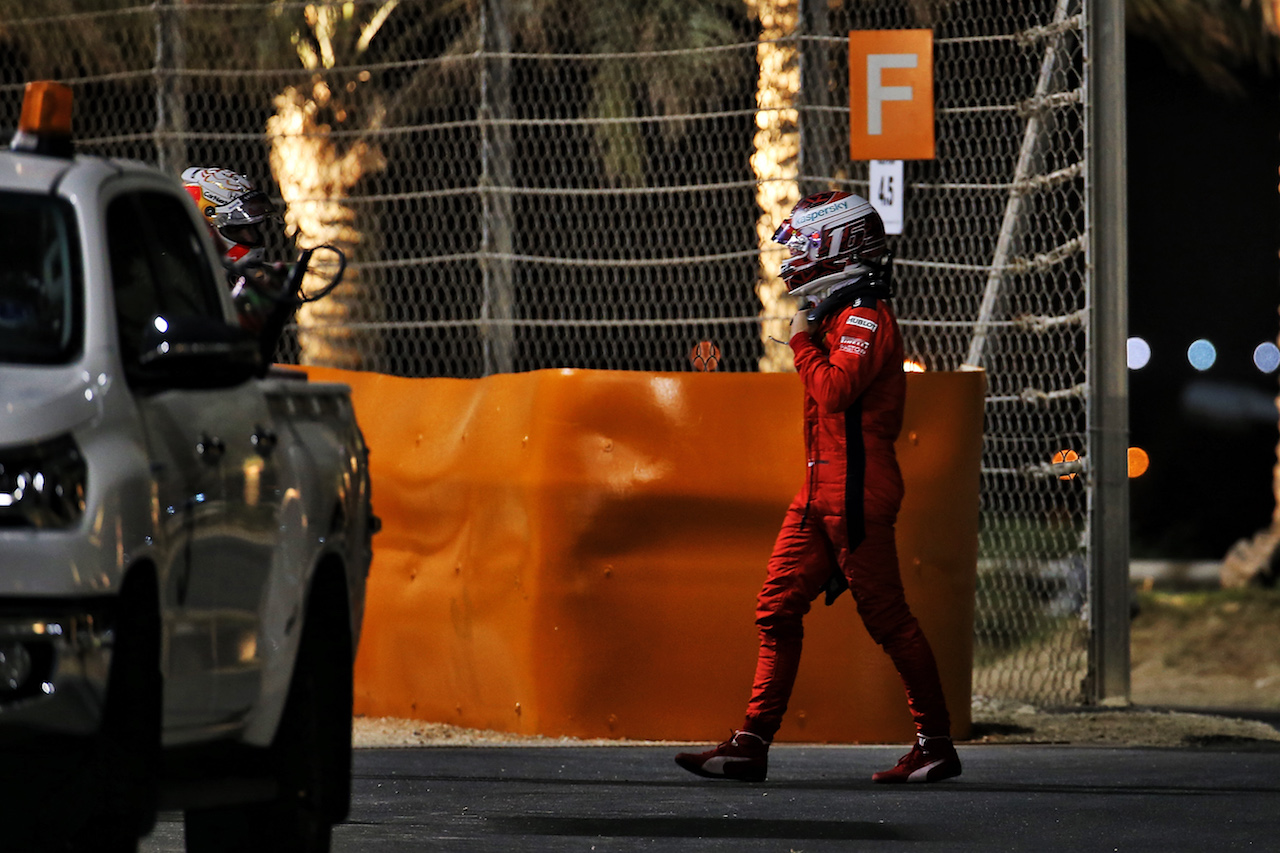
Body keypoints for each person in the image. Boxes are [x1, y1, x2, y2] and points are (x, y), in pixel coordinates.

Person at [674, 191, 961, 785]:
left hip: (853, 493)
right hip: (821, 492)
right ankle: (751, 743)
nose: (795, 258)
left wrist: (801, 341)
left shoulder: (862, 317)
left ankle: (935, 745)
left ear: (839, 246)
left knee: (888, 620)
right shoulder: (843, 314)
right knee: (775, 609)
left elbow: (835, 391)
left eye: (804, 245)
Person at [181, 165, 287, 334]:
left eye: (253, 228)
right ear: (206, 232)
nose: (251, 239)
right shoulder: (180, 294)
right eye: (236, 230)